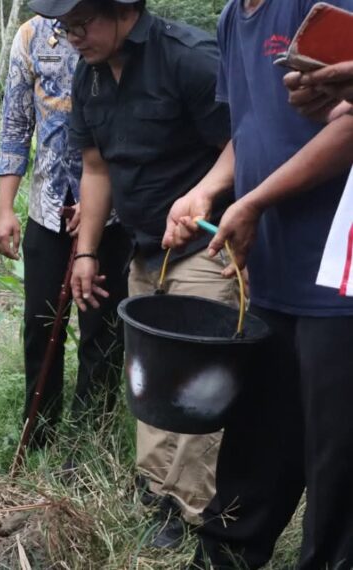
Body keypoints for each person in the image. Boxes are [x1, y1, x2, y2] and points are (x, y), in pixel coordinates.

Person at [29, 0, 234, 548]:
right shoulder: (90, 71)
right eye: (65, 27)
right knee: (152, 375)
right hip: (145, 250)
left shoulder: (189, 59)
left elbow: (244, 142)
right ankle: (156, 493)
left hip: (208, 249)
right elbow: (96, 167)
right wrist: (88, 252)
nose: (73, 36)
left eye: (83, 23)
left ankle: (191, 511)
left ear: (124, 10)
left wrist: (204, 193)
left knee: (196, 377)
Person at [161, 1, 353, 565]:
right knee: (256, 443)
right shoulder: (231, 18)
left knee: (334, 460)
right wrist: (210, 189)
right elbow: (248, 127)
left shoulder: (317, 5)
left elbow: (348, 123)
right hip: (269, 270)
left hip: (335, 277)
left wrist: (256, 200)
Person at [0, 15, 131, 451]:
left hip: (112, 215)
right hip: (48, 207)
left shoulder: (119, 29)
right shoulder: (32, 36)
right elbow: (15, 124)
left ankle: (92, 440)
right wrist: (4, 208)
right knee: (40, 322)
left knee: (103, 332)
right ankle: (39, 434)